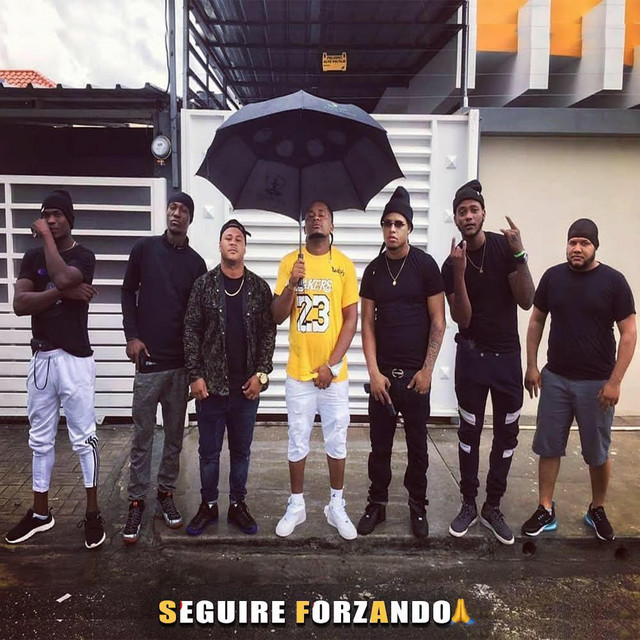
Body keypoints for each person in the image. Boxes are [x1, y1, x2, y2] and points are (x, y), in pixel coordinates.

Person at [522, 219, 636, 542]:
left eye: (584, 243)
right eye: (573, 242)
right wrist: (532, 366)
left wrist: (615, 382)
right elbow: (536, 321)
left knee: (597, 452)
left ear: (595, 247)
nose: (577, 248)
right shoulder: (553, 277)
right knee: (549, 446)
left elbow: (629, 334)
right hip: (555, 379)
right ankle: (545, 508)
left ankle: (597, 508)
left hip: (597, 385)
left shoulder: (614, 282)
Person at [5, 189, 104, 549]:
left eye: (57, 214)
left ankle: (92, 512)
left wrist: (47, 241)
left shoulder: (84, 256)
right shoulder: (32, 257)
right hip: (42, 358)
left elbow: (63, 277)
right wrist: (63, 294)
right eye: (46, 215)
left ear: (69, 218)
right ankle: (40, 513)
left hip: (75, 359)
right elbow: (20, 304)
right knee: (40, 439)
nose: (50, 220)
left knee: (84, 438)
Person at [441, 179, 535, 545]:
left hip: (507, 358)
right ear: (455, 219)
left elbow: (526, 300)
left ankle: (493, 505)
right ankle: (468, 502)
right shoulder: (451, 263)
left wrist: (520, 254)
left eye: (473, 210)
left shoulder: (503, 248)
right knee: (469, 433)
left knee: (507, 435)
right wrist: (459, 272)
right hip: (472, 358)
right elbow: (462, 319)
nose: (468, 216)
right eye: (462, 212)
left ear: (483, 213)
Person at [357, 186, 446, 538]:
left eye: (398, 224)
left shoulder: (425, 266)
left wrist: (427, 371)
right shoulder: (374, 271)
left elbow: (438, 321)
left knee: (417, 447)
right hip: (383, 377)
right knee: (379, 447)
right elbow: (366, 324)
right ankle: (376, 504)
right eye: (387, 224)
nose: (392, 230)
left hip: (415, 377)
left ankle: (417, 507)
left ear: (409, 228)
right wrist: (373, 372)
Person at [120, 191, 206, 544]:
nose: (176, 213)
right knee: (142, 437)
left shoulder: (197, 264)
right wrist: (132, 336)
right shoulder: (144, 249)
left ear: (190, 219)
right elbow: (127, 292)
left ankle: (165, 495)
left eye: (183, 210)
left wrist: (195, 367)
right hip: (148, 363)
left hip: (179, 367)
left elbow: (198, 318)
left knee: (173, 438)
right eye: (173, 207)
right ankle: (136, 501)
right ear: (167, 212)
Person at [272, 200, 358, 540]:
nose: (316, 217)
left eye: (323, 214)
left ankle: (336, 505)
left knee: (337, 440)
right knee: (297, 440)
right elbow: (276, 315)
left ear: (332, 225)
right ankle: (297, 505)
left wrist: (331, 365)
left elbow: (351, 319)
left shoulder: (344, 265)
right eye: (310, 214)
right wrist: (292, 283)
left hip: (333, 375)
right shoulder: (289, 262)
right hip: (299, 372)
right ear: (304, 225)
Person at [183, 220, 276, 536]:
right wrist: (195, 375)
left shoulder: (259, 288)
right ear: (220, 245)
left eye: (238, 238)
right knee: (208, 453)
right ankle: (208, 505)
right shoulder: (203, 285)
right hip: (210, 388)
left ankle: (238, 505)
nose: (233, 242)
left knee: (241, 452)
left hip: (246, 389)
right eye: (228, 237)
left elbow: (268, 334)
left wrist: (261, 375)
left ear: (245, 247)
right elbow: (191, 330)